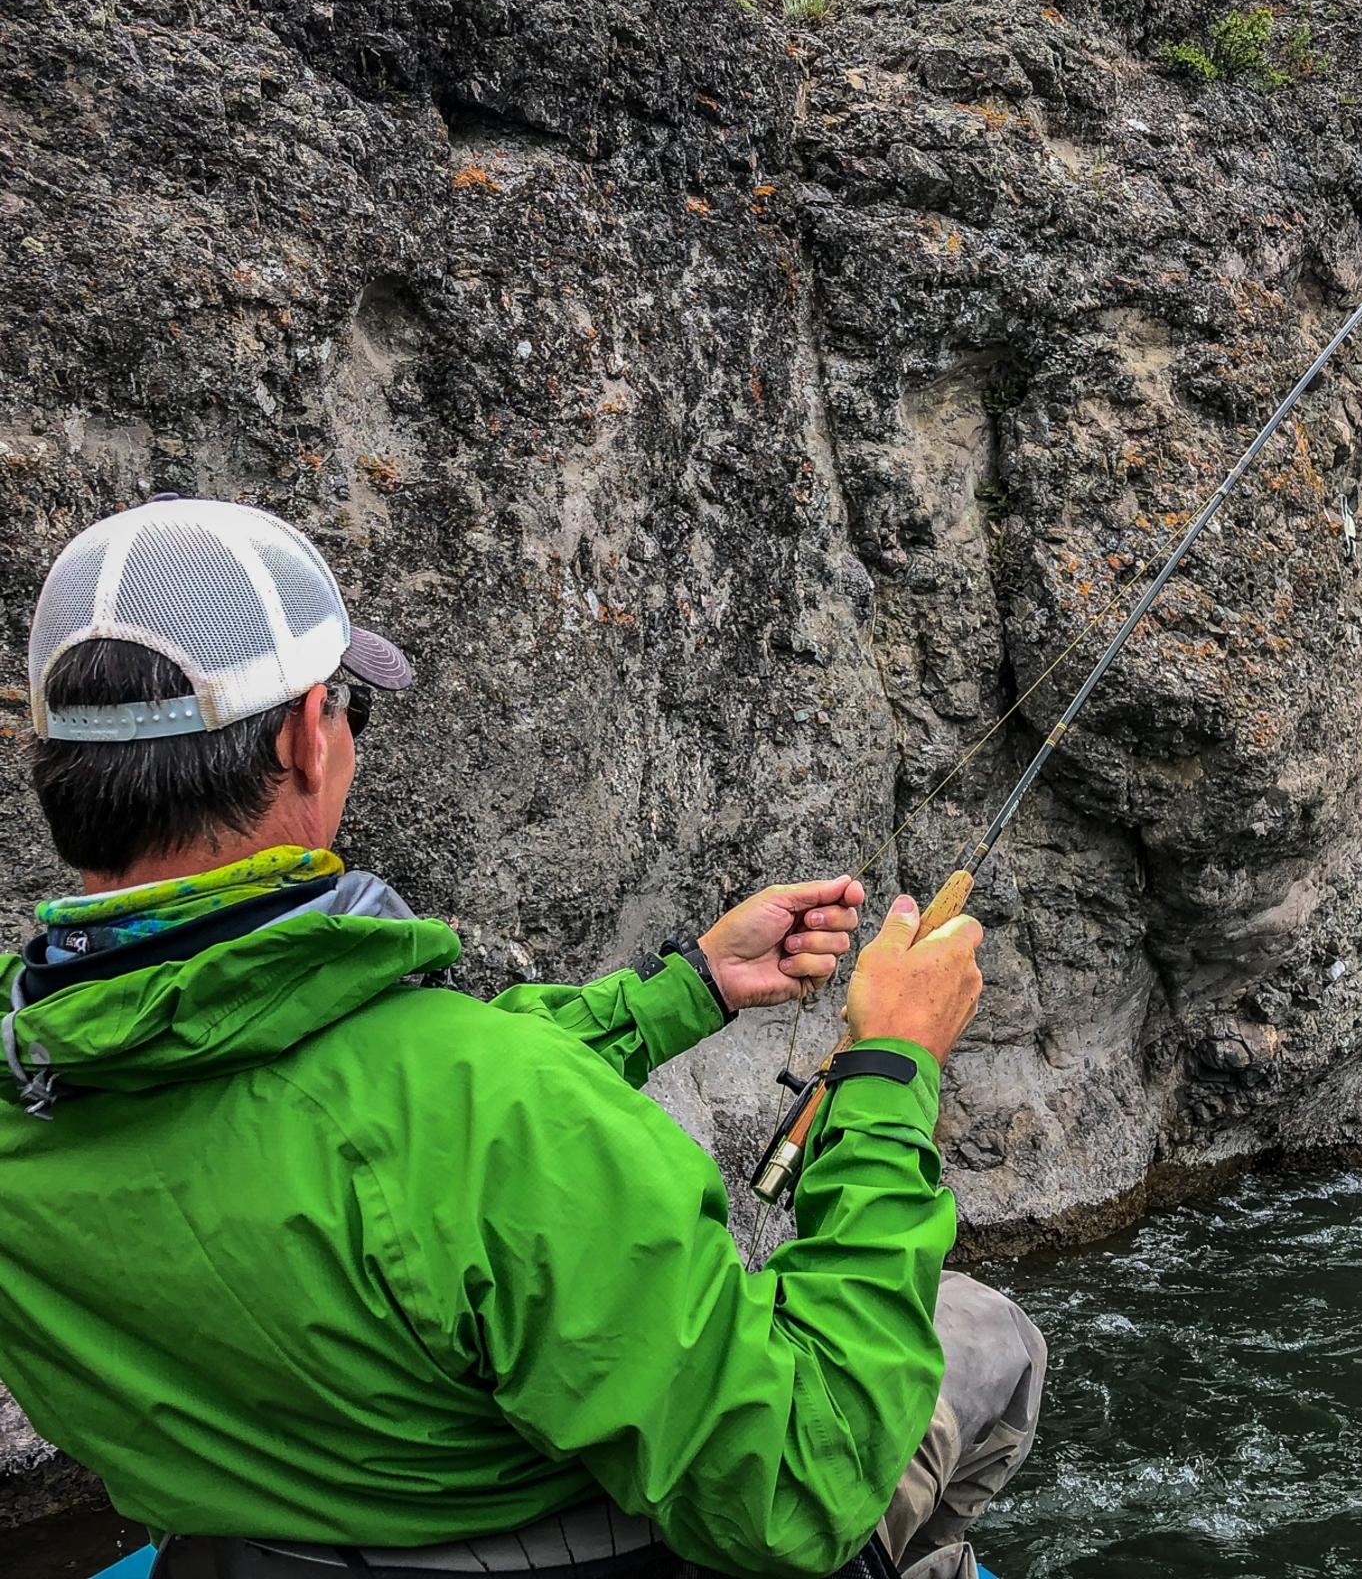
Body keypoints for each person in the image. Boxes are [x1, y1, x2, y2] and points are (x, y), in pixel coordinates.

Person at [0, 497, 1046, 1579]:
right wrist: (890, 1068)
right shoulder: (495, 1110)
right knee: (984, 1335)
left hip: (256, 1540)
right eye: (352, 704)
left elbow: (366, 1103)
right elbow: (793, 1490)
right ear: (306, 735)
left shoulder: (23, 1081)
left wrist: (692, 985)